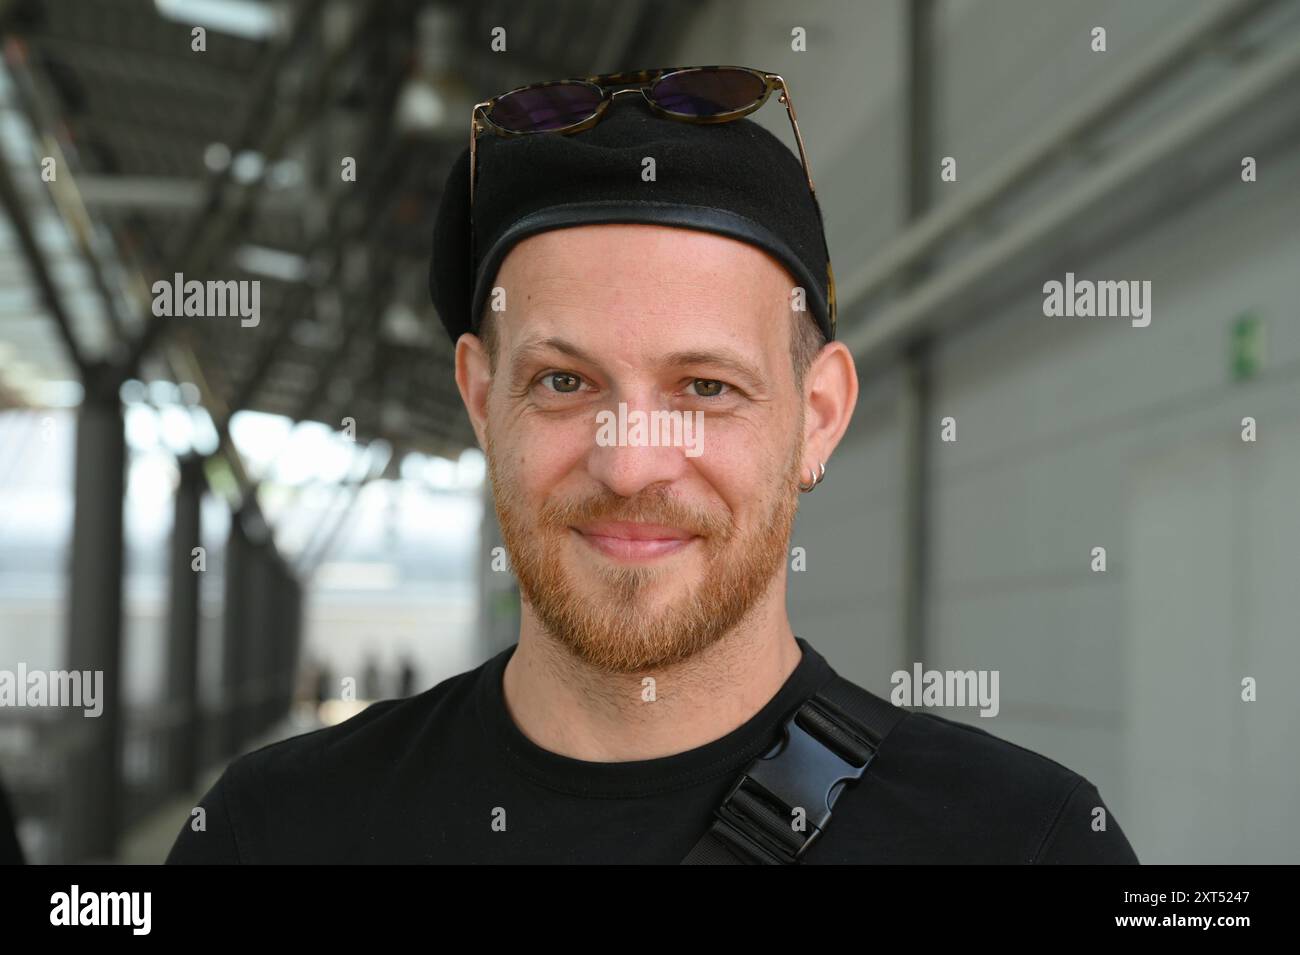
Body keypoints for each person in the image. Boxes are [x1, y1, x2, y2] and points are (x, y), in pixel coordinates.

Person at [167, 66, 1137, 864]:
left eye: (706, 389)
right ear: (478, 399)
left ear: (819, 416)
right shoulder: (276, 833)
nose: (631, 465)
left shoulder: (1024, 843)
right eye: (562, 383)